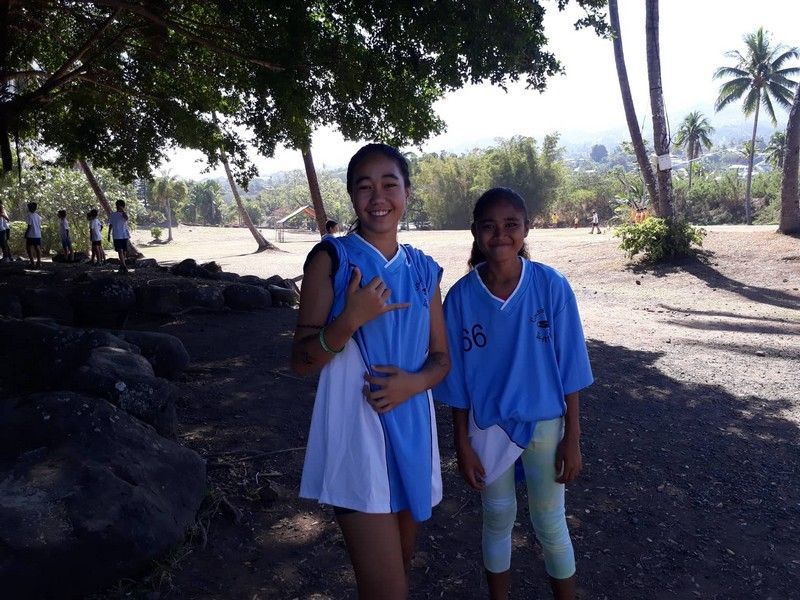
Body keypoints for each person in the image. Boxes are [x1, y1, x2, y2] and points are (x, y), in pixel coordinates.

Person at [291, 143, 450, 600]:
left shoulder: (424, 270)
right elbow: (300, 361)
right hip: (357, 440)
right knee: (387, 590)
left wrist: (413, 383)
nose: (377, 197)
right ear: (351, 196)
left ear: (407, 192)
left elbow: (441, 358)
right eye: (364, 186)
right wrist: (349, 320)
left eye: (389, 184)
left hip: (413, 434)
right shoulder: (331, 259)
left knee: (399, 567)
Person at [434, 187, 593, 600]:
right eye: (489, 226)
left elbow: (571, 368)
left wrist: (573, 438)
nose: (500, 234)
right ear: (475, 232)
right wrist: (462, 444)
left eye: (510, 225)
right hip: (488, 427)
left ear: (526, 229)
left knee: (550, 521)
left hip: (545, 423)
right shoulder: (461, 298)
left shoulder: (551, 285)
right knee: (498, 516)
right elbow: (457, 382)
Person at [108, 199, 130, 273]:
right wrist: (108, 234)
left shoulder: (125, 214)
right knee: (120, 250)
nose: (118, 207)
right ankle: (124, 267)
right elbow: (110, 225)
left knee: (124, 251)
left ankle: (122, 265)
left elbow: (126, 218)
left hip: (124, 235)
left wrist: (123, 211)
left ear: (123, 206)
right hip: (116, 235)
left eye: (119, 206)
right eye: (117, 205)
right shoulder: (113, 214)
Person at [25, 202, 42, 268]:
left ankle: (32, 262)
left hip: (31, 234)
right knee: (37, 248)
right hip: (38, 234)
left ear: (29, 208)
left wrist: (26, 233)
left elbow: (29, 226)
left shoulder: (29, 215)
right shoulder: (38, 216)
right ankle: (39, 262)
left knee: (28, 248)